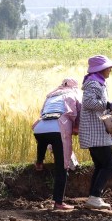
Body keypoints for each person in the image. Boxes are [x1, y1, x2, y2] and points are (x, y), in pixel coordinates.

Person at [79, 55, 112, 209]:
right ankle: (95, 196)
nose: (110, 70)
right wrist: (109, 104)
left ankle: (93, 197)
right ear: (101, 69)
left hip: (97, 132)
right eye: (108, 68)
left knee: (100, 165)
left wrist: (109, 106)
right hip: (96, 132)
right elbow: (88, 102)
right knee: (109, 165)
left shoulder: (98, 83)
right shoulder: (93, 83)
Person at [32, 78, 82, 211]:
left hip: (40, 127)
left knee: (43, 141)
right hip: (58, 128)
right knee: (62, 167)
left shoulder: (51, 95)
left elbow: (43, 112)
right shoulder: (73, 94)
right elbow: (77, 113)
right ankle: (58, 202)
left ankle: (39, 163)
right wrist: (76, 129)